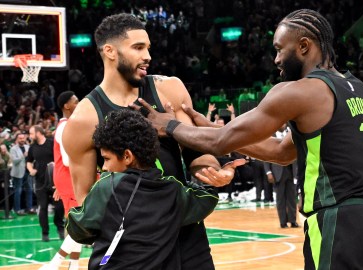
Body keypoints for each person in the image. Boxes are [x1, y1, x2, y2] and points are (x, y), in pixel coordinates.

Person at [135, 9, 363, 269]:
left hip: (341, 221)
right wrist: (211, 126)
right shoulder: (358, 89)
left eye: (280, 49)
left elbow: (220, 143)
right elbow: (282, 152)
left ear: (304, 46)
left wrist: (169, 125)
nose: (276, 59)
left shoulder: (300, 91)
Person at [62, 13, 242, 269]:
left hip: (187, 238)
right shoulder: (84, 120)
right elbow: (86, 197)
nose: (147, 55)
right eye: (138, 47)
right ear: (110, 51)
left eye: (148, 48)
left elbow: (197, 151)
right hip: (132, 248)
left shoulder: (170, 88)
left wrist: (210, 174)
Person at [67, 109, 218, 269]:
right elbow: (208, 197)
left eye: (106, 159)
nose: (104, 167)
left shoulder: (108, 186)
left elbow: (78, 229)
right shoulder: (172, 191)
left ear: (127, 156)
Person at [39, 91, 81, 270]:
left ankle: (74, 264)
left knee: (78, 222)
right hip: (70, 176)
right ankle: (54, 264)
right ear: (67, 106)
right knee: (81, 222)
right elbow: (66, 160)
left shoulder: (70, 125)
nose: (79, 103)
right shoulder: (64, 127)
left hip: (69, 178)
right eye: (76, 101)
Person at [26, 125, 64, 242]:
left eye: (31, 133)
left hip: (54, 182)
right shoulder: (32, 147)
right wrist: (31, 170)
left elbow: (60, 159)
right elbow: (28, 161)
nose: (30, 136)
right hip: (40, 182)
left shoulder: (52, 144)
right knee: (42, 208)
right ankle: (45, 232)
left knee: (59, 207)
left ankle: (60, 228)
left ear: (38, 133)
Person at [264, 125, 298, 228]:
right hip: (277, 173)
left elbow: (297, 154)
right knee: (280, 199)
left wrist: (297, 173)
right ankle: (283, 222)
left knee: (292, 198)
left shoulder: (291, 135)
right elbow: (266, 155)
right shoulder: (270, 137)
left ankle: (293, 221)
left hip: (291, 172)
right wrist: (268, 172)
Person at [9, 133, 34, 215]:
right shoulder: (13, 149)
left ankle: (29, 208)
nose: (22, 140)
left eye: (23, 138)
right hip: (18, 173)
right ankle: (17, 209)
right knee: (18, 191)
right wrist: (23, 155)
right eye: (20, 138)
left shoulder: (28, 147)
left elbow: (31, 159)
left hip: (28, 172)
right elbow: (14, 161)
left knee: (29, 190)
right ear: (17, 139)